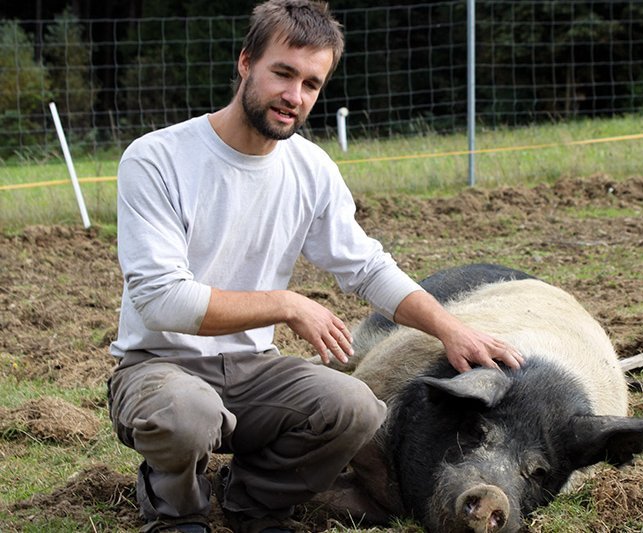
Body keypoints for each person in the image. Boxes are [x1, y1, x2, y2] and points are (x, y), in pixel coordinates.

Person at [107, 1, 523, 532]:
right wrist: (285, 303)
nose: (294, 96)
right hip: (158, 366)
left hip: (252, 369)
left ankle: (254, 500)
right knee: (186, 413)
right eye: (282, 73)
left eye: (311, 84)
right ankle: (175, 509)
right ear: (245, 63)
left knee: (356, 407)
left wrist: (451, 329)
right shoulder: (157, 159)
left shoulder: (310, 169)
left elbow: (367, 266)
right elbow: (161, 299)